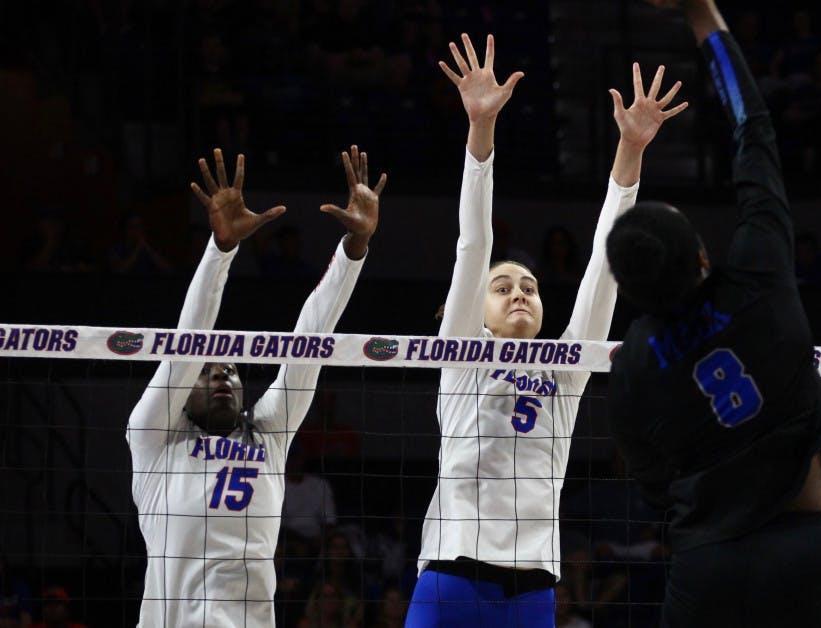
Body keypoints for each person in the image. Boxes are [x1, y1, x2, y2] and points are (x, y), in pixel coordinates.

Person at [405, 33, 687, 627]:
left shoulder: (564, 368)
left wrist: (630, 150)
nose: (518, 294)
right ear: (476, 310)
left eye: (529, 288)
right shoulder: (462, 353)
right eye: (503, 287)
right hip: (451, 578)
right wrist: (481, 128)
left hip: (533, 591)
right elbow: (473, 244)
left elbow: (604, 268)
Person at [605, 2, 821, 627]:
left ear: (631, 292)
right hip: (803, 545)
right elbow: (753, 128)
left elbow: (648, 479)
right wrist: (702, 13)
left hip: (706, 561)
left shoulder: (634, 361)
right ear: (701, 255)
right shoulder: (758, 276)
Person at [126, 146, 386, 627]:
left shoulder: (267, 436)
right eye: (207, 370)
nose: (222, 374)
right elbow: (188, 340)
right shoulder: (155, 438)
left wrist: (355, 247)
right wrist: (220, 250)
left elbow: (311, 340)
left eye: (230, 370)